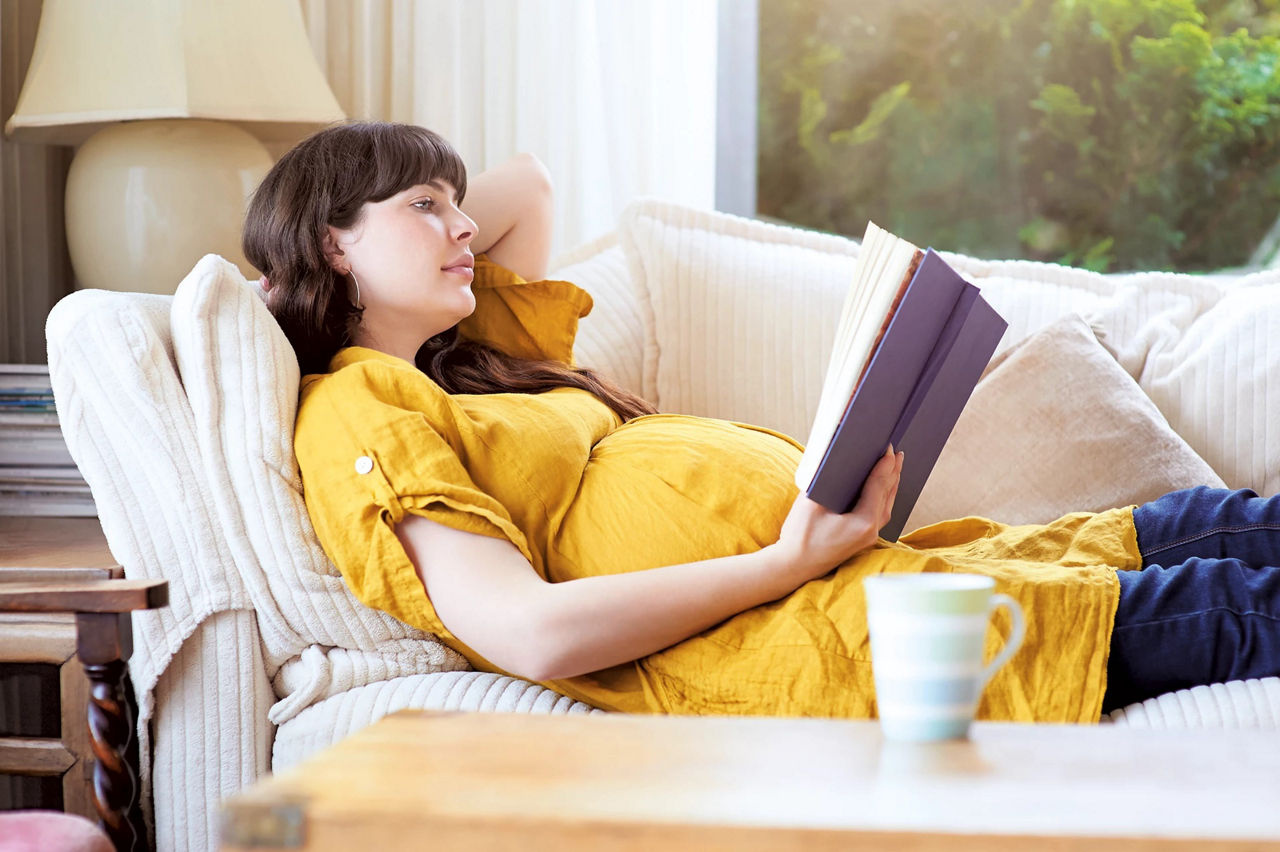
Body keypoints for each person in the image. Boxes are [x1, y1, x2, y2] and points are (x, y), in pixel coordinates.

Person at [243, 120, 1280, 721]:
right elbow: (528, 631)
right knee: (1236, 606)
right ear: (334, 248)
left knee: (1225, 524)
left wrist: (395, 199)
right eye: (423, 208)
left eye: (448, 202)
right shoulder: (358, 405)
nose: (465, 225)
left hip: (883, 570)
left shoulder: (473, 365)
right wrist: (782, 561)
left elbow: (525, 187)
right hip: (809, 629)